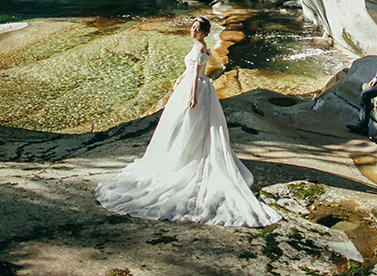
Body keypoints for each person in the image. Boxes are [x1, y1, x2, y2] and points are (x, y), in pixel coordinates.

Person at [95, 16, 280, 227]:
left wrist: (192, 96)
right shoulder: (199, 45)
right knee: (185, 126)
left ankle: (189, 157)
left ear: (204, 32)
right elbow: (189, 71)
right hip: (196, 86)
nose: (193, 31)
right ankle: (184, 154)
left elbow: (196, 75)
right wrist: (178, 81)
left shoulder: (201, 48)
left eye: (197, 29)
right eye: (192, 28)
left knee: (191, 125)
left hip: (197, 89)